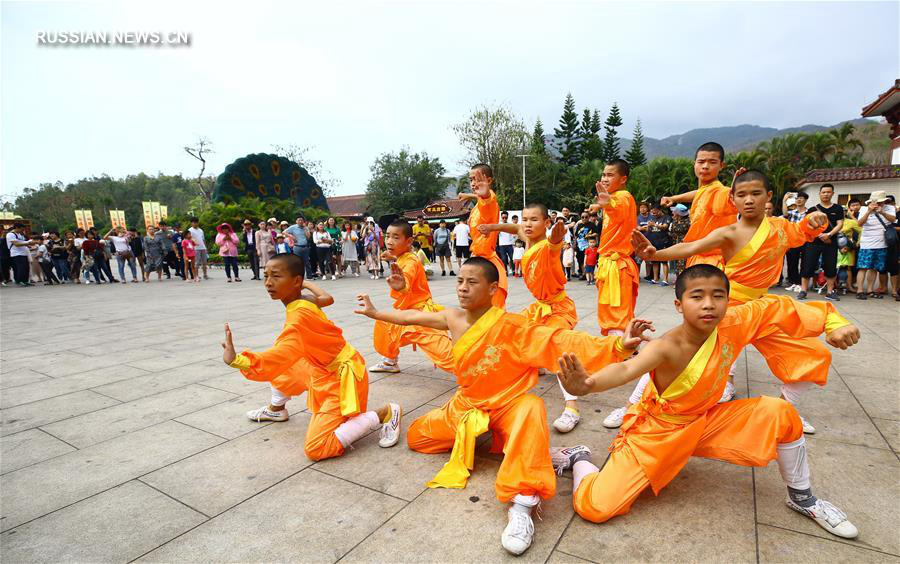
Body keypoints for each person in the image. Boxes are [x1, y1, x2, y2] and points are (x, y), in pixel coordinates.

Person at [354, 257, 651, 555]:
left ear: (493, 288)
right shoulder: (453, 318)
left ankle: (522, 505)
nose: (463, 288)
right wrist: (375, 312)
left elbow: (558, 340)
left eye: (472, 282)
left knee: (532, 407)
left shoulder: (512, 326)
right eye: (460, 281)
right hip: (467, 406)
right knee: (419, 437)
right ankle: (546, 454)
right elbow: (411, 317)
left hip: (509, 405)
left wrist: (617, 346)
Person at [553, 265, 860, 540]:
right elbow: (625, 368)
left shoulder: (736, 321)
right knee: (595, 507)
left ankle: (803, 498)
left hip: (706, 421)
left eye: (718, 296)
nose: (709, 304)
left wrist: (832, 321)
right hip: (659, 433)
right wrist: (589, 384)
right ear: (678, 304)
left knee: (779, 412)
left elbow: (777, 306)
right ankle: (580, 458)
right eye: (697, 296)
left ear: (728, 300)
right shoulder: (665, 346)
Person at [632, 169, 833, 432]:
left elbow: (802, 232)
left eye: (755, 194)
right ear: (734, 200)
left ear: (768, 196)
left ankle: (784, 410)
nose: (749, 200)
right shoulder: (727, 233)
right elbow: (691, 246)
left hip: (763, 309)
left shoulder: (781, 228)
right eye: (742, 195)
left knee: (815, 355)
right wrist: (655, 254)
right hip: (729, 308)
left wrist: (815, 219)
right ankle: (633, 405)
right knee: (680, 354)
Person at [222, 253, 403, 461]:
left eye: (276, 276)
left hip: (341, 377)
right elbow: (327, 298)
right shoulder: (305, 300)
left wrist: (237, 360)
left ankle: (384, 413)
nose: (268, 283)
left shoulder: (298, 319)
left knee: (317, 448)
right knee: (286, 370)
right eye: (265, 276)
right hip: (322, 365)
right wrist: (304, 285)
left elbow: (278, 356)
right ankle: (276, 409)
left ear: (295, 280)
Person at [368, 220, 454, 374]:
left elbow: (406, 276)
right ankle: (390, 361)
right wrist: (393, 258)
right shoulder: (402, 257)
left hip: (421, 315)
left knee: (446, 356)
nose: (389, 241)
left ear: (409, 241)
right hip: (408, 312)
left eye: (396, 237)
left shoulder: (410, 261)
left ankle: (476, 371)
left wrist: (402, 286)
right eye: (388, 236)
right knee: (385, 323)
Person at [660, 142, 738, 270]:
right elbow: (699, 193)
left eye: (712, 162)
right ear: (694, 164)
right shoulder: (706, 190)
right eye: (701, 162)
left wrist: (736, 192)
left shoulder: (722, 192)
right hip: (696, 257)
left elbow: (729, 199)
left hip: (714, 263)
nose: (705, 166)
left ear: (721, 166)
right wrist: (674, 198)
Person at [459, 164, 507, 307]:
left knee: (492, 311)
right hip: (478, 260)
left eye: (477, 179)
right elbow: (481, 199)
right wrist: (471, 195)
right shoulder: (477, 206)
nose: (473, 183)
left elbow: (487, 202)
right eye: (471, 179)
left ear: (489, 181)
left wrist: (485, 195)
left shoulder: (490, 202)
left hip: (487, 263)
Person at [798, 184, 844, 301]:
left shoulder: (838, 208)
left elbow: (840, 224)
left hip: (830, 243)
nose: (826, 194)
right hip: (813, 242)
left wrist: (829, 234)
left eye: (828, 192)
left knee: (830, 267)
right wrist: (819, 235)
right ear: (819, 194)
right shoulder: (813, 209)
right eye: (823, 192)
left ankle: (829, 292)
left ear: (833, 193)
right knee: (807, 266)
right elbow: (807, 226)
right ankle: (803, 290)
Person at [855, 191, 897, 299]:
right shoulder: (864, 209)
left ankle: (870, 290)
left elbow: (893, 220)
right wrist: (869, 211)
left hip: (882, 243)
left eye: (881, 202)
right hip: (867, 243)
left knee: (874, 268)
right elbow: (859, 224)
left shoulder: (889, 208)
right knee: (863, 267)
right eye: (877, 202)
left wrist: (882, 212)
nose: (879, 204)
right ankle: (860, 290)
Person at [783, 191, 810, 291]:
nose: (799, 200)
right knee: (791, 263)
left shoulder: (809, 212)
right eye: (797, 198)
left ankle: (801, 284)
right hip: (793, 241)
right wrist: (784, 200)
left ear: (805, 200)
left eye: (801, 198)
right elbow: (785, 213)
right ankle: (795, 282)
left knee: (804, 263)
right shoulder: (792, 213)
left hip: (806, 240)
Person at [838, 199, 862, 294]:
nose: (841, 213)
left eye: (843, 211)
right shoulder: (832, 221)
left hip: (847, 247)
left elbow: (862, 231)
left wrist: (858, 242)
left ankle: (849, 286)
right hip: (834, 247)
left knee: (848, 267)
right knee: (833, 266)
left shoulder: (851, 222)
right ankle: (835, 286)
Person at [646, 205, 671, 285]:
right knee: (655, 261)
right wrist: (649, 226)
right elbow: (648, 230)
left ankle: (665, 280)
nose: (654, 214)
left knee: (664, 261)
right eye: (653, 213)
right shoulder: (651, 218)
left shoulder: (666, 217)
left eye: (655, 212)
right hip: (653, 242)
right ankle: (655, 278)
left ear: (660, 210)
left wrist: (655, 225)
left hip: (663, 241)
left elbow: (665, 227)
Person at [668, 204, 691, 276]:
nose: (672, 213)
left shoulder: (688, 222)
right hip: (676, 244)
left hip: (685, 245)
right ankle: (678, 280)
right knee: (678, 263)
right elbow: (671, 232)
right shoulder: (674, 221)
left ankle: (684, 281)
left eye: (674, 211)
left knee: (683, 263)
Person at [635, 202, 653, 280]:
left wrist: (644, 227)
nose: (642, 209)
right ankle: (637, 276)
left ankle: (648, 275)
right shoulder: (638, 217)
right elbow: (638, 228)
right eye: (641, 207)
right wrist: (647, 226)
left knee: (648, 260)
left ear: (647, 208)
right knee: (638, 260)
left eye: (644, 207)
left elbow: (652, 226)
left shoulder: (651, 216)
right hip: (639, 241)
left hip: (650, 240)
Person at [497, 211, 516, 275]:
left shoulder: (510, 225)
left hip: (509, 244)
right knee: (503, 259)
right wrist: (499, 230)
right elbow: (496, 234)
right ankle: (505, 271)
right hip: (502, 245)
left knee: (512, 258)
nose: (504, 219)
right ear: (501, 218)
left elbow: (513, 234)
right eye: (503, 218)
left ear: (507, 217)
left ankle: (513, 270)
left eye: (505, 217)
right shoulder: (499, 225)